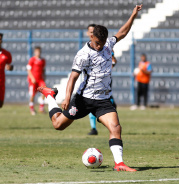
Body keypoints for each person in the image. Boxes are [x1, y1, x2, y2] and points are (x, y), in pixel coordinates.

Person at [37, 4, 143, 172]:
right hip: (83, 100)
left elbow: (122, 32)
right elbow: (73, 78)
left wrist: (133, 15)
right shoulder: (83, 54)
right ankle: (50, 95)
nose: (100, 46)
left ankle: (119, 163)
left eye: (102, 43)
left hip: (103, 100)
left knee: (116, 128)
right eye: (97, 43)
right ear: (92, 37)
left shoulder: (108, 44)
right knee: (58, 125)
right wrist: (66, 98)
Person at [86, 24, 118, 135]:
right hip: (91, 83)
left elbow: (113, 60)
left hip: (105, 82)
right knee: (91, 103)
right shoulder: (85, 50)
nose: (91, 33)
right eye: (90, 32)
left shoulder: (106, 46)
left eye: (92, 31)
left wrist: (110, 64)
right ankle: (93, 128)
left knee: (111, 103)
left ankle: (106, 120)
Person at [27, 46, 46, 115]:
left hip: (40, 79)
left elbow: (43, 69)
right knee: (32, 94)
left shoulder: (43, 60)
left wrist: (44, 76)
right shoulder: (32, 60)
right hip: (33, 80)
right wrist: (32, 78)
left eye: (39, 51)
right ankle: (32, 109)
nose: (38, 53)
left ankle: (41, 108)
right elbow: (28, 70)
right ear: (35, 52)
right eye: (37, 51)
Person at [0, 33, 13, 108]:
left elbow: (10, 66)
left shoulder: (6, 54)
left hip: (1, 81)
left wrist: (10, 68)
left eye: (1, 39)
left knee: (1, 104)